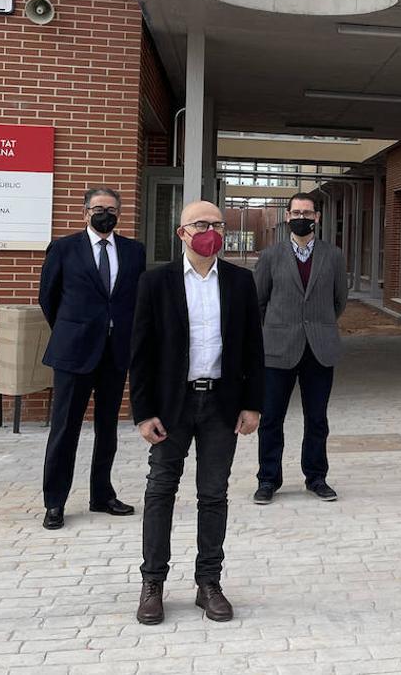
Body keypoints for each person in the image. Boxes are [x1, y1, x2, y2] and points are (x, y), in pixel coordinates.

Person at [129, 200, 264, 625]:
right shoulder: (156, 283)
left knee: (214, 493)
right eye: (201, 224)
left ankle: (209, 583)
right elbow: (141, 353)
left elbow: (253, 350)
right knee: (161, 490)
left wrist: (253, 404)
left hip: (221, 405)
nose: (211, 231)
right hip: (173, 404)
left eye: (218, 224)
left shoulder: (241, 282)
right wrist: (143, 411)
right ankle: (153, 584)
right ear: (182, 232)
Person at [38, 187, 146, 530]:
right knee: (65, 429)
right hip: (74, 353)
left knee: (107, 428)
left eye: (112, 209)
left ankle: (102, 494)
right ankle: (55, 502)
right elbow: (48, 297)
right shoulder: (64, 248)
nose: (106, 214)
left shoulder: (133, 251)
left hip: (115, 353)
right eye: (99, 208)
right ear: (85, 212)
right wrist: (74, 329)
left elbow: (135, 299)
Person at [252, 192, 348, 504]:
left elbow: (339, 301)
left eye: (307, 212)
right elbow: (259, 302)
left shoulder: (333, 256)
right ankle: (268, 479)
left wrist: (316, 324)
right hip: (278, 349)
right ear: (287, 217)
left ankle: (316, 477)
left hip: (319, 348)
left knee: (317, 418)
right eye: (296, 212)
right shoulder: (270, 256)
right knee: (271, 418)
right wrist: (278, 328)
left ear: (317, 217)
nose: (301, 217)